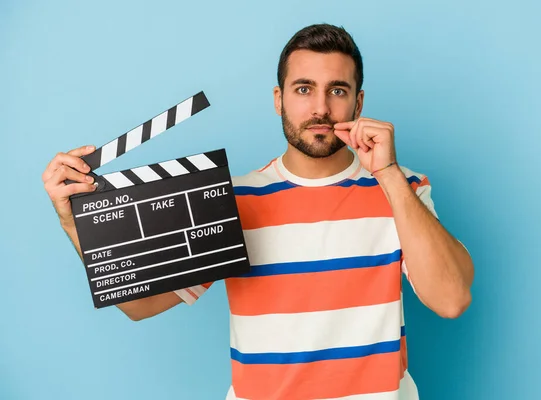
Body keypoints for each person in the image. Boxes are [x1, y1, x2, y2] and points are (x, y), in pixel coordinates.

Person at [43, 23, 474, 400]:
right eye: (304, 89)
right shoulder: (234, 202)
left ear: (358, 104)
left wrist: (390, 176)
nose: (320, 108)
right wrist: (71, 221)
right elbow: (140, 306)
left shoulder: (403, 188)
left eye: (337, 91)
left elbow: (452, 298)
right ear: (278, 99)